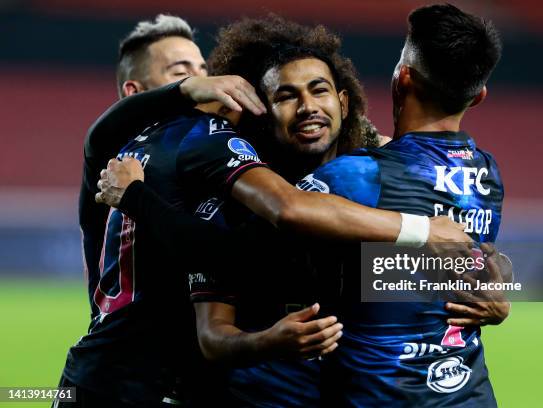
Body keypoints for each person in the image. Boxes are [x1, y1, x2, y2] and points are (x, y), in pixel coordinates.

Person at [95, 14, 510, 406]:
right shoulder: (241, 199)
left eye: (320, 89)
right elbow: (213, 330)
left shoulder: (368, 178)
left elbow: (403, 270)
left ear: (345, 103)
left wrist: (498, 292)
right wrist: (270, 341)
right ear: (261, 111)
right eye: (286, 95)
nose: (308, 105)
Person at [290, 4, 506, 406]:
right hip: (471, 394)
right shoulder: (489, 175)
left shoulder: (355, 176)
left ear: (401, 78)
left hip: (381, 397)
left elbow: (275, 212)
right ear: (478, 97)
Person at [61, 14, 267, 408]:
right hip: (112, 377)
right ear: (135, 92)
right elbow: (104, 129)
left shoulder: (201, 150)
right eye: (180, 70)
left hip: (171, 380)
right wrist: (187, 90)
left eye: (203, 67)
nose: (205, 78)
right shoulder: (116, 153)